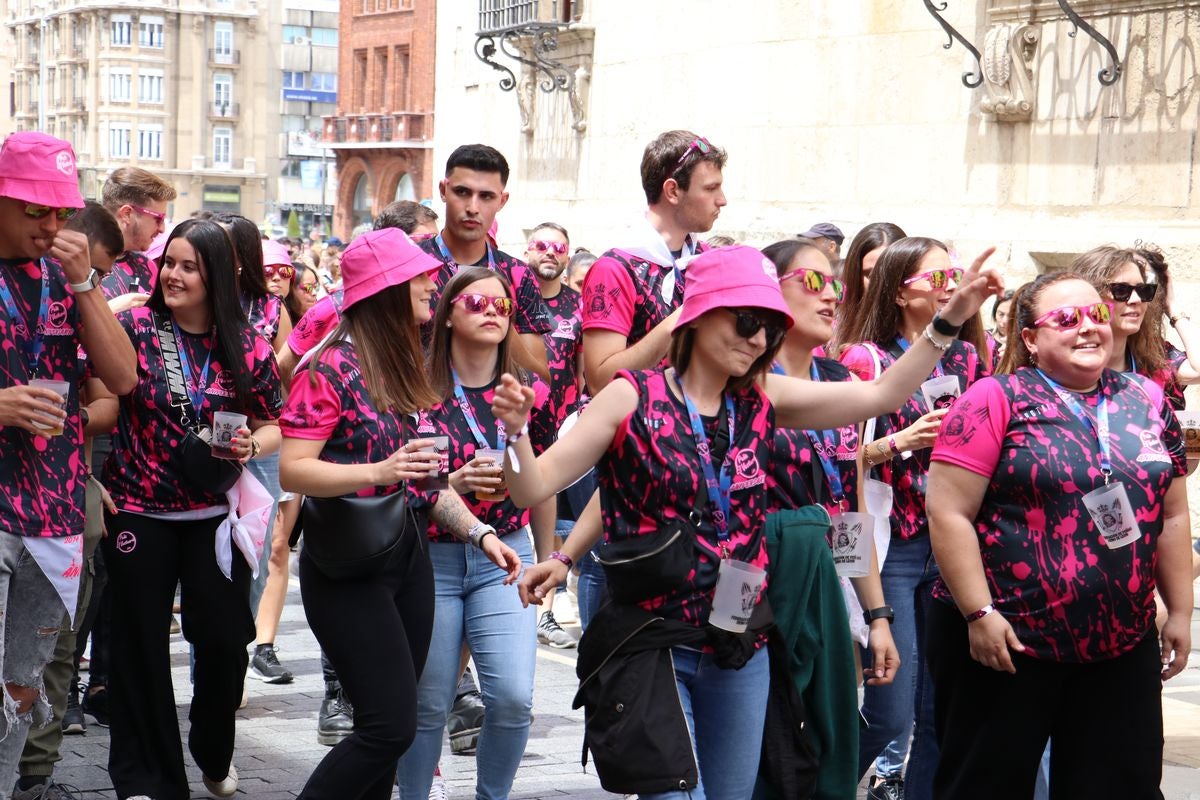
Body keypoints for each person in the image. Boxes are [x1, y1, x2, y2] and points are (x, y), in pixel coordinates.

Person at [503, 244, 1001, 800]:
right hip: (654, 638)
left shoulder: (763, 397)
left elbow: (883, 396)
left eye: (768, 327)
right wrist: (516, 435)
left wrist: (951, 318)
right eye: (745, 322)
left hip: (741, 634)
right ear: (697, 314)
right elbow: (533, 486)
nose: (757, 339)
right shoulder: (630, 395)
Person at [926, 271, 1192, 800]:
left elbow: (1175, 514)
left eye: (1095, 315)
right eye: (1066, 319)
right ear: (1030, 339)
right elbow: (947, 511)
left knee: (1123, 785)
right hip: (1009, 638)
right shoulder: (992, 398)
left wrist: (1180, 609)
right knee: (986, 786)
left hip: (1121, 639)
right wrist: (979, 614)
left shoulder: (1145, 398)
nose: (1088, 328)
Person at [279, 230, 521, 800]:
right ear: (385, 288)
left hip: (408, 559)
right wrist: (379, 472)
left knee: (387, 728)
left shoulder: (405, 367)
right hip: (349, 567)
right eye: (418, 276)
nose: (432, 282)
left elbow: (426, 478)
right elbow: (294, 470)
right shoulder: (328, 369)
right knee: (391, 728)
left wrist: (480, 533)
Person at [98, 218, 283, 800]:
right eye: (168, 263)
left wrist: (255, 444)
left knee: (227, 641)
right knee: (138, 648)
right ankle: (142, 778)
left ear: (217, 277)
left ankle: (212, 748)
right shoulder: (133, 326)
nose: (173, 276)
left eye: (188, 266)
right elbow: (98, 399)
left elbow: (276, 424)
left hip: (214, 518)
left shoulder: (247, 343)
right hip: (137, 511)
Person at [0, 132, 137, 793]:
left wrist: (85, 283)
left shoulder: (65, 276)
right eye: (34, 211)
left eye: (59, 211)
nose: (51, 226)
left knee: (21, 687)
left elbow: (123, 378)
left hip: (53, 515)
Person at [837, 237, 993, 800]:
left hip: (950, 542)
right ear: (901, 292)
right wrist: (899, 441)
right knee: (888, 711)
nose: (950, 283)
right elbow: (835, 459)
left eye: (954, 273)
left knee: (937, 711)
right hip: (893, 547)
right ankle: (814, 783)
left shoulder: (968, 358)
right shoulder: (865, 359)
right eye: (937, 277)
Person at [395, 266, 554, 799]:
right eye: (477, 303)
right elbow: (408, 477)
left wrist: (546, 558)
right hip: (431, 558)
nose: (492, 311)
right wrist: (452, 482)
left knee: (512, 698)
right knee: (428, 703)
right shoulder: (416, 385)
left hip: (505, 557)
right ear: (446, 317)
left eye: (502, 306)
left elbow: (539, 487)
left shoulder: (527, 390)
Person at [760, 238, 901, 797]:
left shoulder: (844, 380)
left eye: (835, 286)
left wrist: (876, 615)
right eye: (812, 282)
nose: (831, 298)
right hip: (749, 576)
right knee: (755, 726)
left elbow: (849, 510)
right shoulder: (741, 379)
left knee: (832, 735)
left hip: (823, 582)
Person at [210, 217, 296, 686]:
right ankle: (216, 656)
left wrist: (264, 363)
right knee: (210, 555)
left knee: (257, 554)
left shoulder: (269, 307)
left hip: (262, 443)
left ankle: (243, 653)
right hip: (208, 442)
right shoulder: (198, 300)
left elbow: (287, 379)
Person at [581, 130, 727, 392]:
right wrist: (685, 315)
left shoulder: (709, 261)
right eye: (710, 188)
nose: (722, 200)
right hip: (631, 426)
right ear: (672, 191)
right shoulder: (615, 267)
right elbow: (599, 381)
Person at [419, 144, 553, 380]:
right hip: (418, 411)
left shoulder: (517, 274)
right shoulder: (412, 266)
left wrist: (495, 315)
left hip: (494, 412)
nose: (472, 208)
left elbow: (539, 377)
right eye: (462, 192)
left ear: (502, 200)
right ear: (443, 190)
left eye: (486, 196)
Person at [1067, 245, 1200, 411]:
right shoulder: (1063, 362)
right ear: (1089, 293)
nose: (1136, 299)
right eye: (1121, 290)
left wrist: (1172, 307)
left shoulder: (1153, 357)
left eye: (1144, 291)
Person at [98, 166, 176, 299]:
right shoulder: (78, 264)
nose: (162, 229)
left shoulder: (147, 267)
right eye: (158, 219)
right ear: (127, 214)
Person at [835, 222, 906, 345]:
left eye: (891, 274)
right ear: (855, 276)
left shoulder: (932, 333)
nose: (882, 284)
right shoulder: (831, 333)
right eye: (872, 275)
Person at [986, 289, 1015, 368]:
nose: (1004, 321)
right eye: (1001, 314)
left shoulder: (1024, 343)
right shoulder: (984, 338)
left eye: (1011, 315)